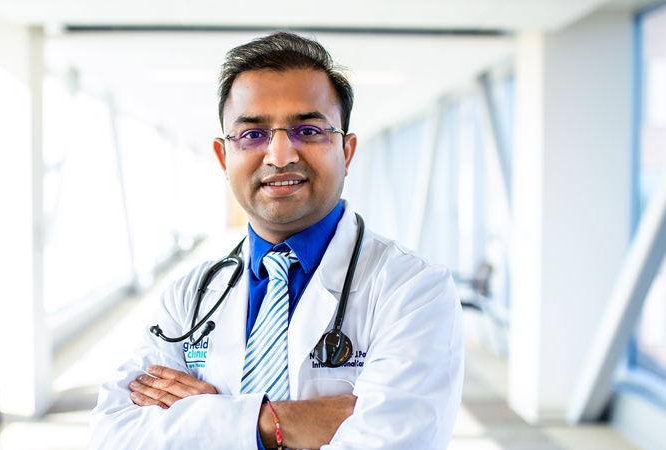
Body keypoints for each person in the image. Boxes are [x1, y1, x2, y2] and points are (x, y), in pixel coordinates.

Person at [90, 32, 463, 450]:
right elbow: (115, 435)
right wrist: (268, 421)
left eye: (308, 129)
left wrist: (207, 419)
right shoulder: (187, 299)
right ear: (222, 157)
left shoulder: (414, 290)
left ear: (347, 151)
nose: (281, 154)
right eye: (252, 135)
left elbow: (393, 442)